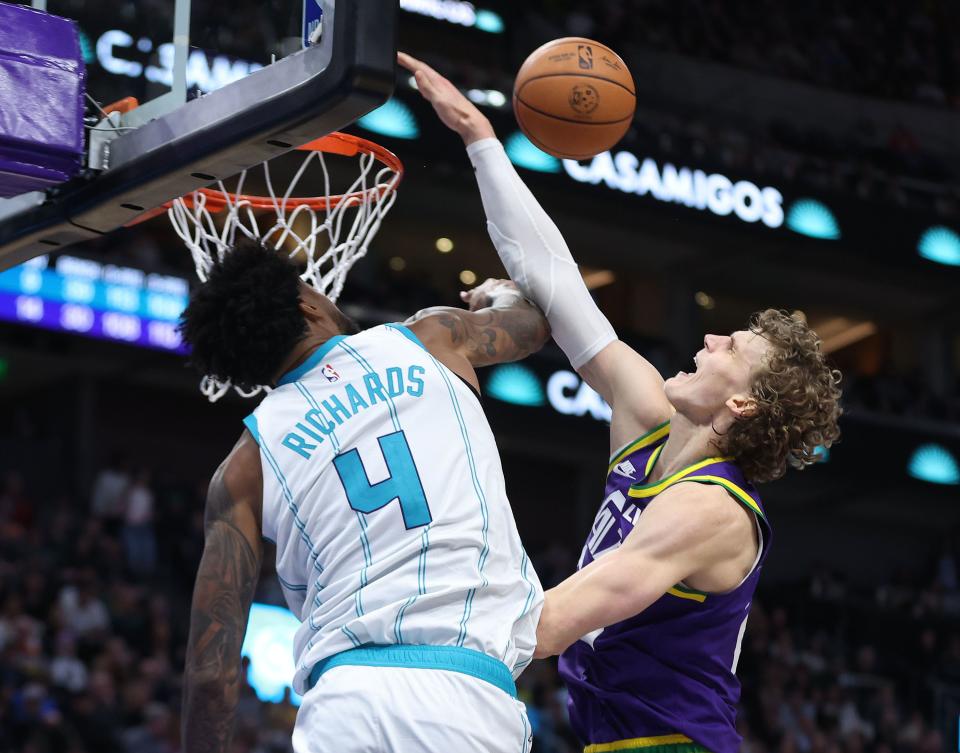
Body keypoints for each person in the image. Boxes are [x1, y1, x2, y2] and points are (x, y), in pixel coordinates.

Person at [401, 51, 843, 753]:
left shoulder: (712, 511)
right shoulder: (647, 420)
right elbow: (556, 281)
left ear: (742, 404)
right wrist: (479, 139)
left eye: (731, 346)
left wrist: (404, 638)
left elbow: (548, 626)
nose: (708, 336)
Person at [177, 239, 549, 753]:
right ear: (307, 304)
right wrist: (497, 294)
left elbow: (210, 673)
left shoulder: (241, 470)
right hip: (458, 689)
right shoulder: (430, 337)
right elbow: (530, 326)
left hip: (340, 701)